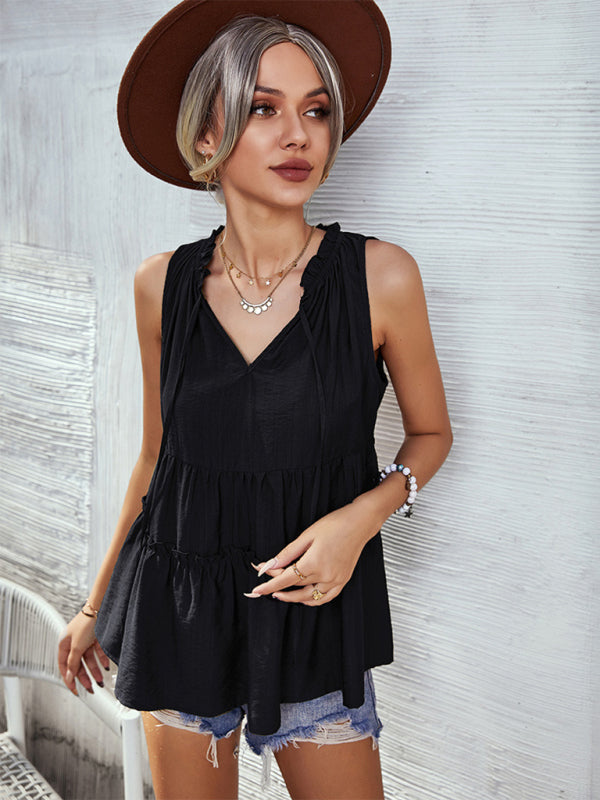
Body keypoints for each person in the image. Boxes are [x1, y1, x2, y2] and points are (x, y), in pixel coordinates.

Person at [58, 2, 452, 798]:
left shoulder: (380, 277)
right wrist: (96, 606)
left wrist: (358, 521)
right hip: (179, 611)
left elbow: (431, 434)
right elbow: (157, 458)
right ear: (207, 137)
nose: (298, 135)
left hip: (315, 615)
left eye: (316, 110)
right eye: (264, 109)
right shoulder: (160, 284)